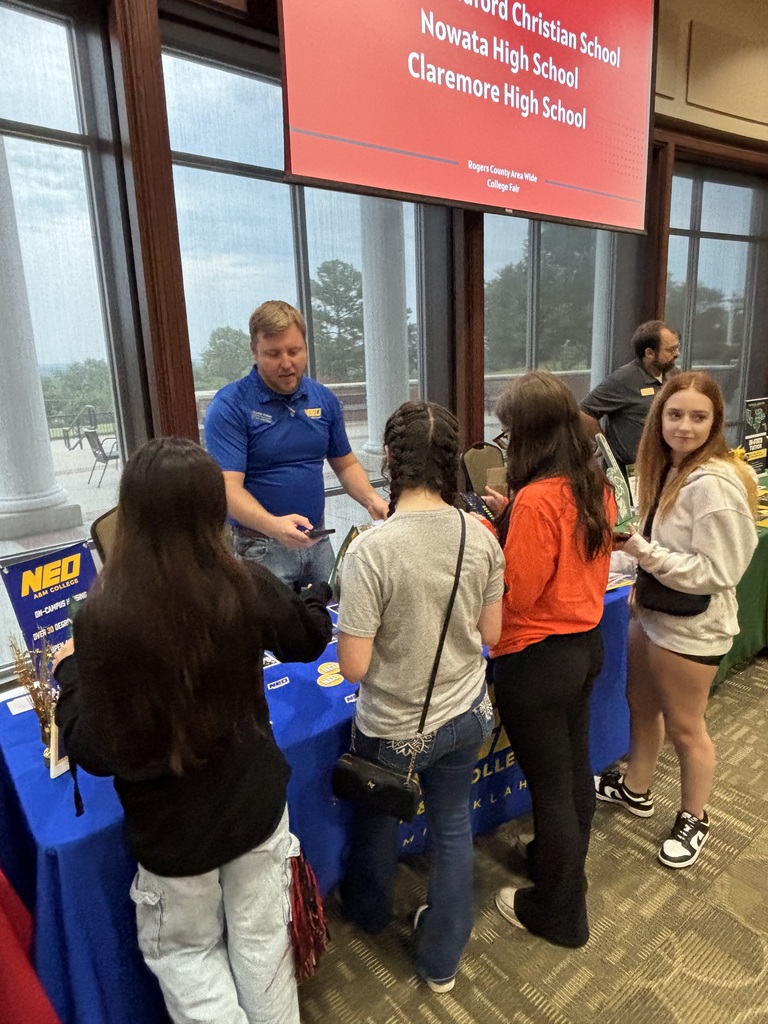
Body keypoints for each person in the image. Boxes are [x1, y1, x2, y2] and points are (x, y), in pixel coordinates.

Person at [53, 437, 333, 1024]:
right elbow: (308, 639)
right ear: (213, 510)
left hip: (173, 834)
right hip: (254, 811)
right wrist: (315, 595)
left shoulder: (103, 616)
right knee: (263, 949)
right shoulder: (244, 583)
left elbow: (95, 750)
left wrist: (70, 676)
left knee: (187, 957)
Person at [335, 401, 505, 993]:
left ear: (389, 460)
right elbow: (492, 636)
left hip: (394, 728)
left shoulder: (371, 550)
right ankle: (441, 962)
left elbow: (353, 668)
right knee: (453, 827)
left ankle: (372, 913)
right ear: (453, 462)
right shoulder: (480, 535)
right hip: (466, 713)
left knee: (380, 824)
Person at [595, 372, 758, 869]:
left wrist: (645, 553)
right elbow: (652, 545)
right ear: (659, 417)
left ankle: (695, 816)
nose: (684, 426)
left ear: (715, 422)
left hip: (693, 627)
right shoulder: (668, 470)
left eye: (698, 416)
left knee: (688, 727)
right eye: (674, 414)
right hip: (650, 613)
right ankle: (636, 787)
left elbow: (721, 571)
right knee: (641, 706)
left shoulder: (715, 485)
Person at [488, 371, 616, 948]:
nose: (504, 442)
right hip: (583, 647)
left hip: (534, 659)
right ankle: (554, 865)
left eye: (509, 432)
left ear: (528, 435)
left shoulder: (538, 501)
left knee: (551, 789)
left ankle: (561, 909)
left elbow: (517, 594)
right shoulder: (593, 483)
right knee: (572, 774)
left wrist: (499, 533)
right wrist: (508, 517)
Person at [205, 300, 389, 589]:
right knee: (271, 633)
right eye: (273, 354)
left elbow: (346, 463)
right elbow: (228, 490)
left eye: (294, 351)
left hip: (318, 541)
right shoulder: (230, 405)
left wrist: (372, 500)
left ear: (305, 346)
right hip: (261, 548)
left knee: (331, 621)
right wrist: (273, 526)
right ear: (254, 351)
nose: (287, 363)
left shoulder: (323, 399)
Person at [580, 320, 680, 476]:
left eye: (677, 348)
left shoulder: (674, 375)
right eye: (670, 350)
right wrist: (604, 444)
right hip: (629, 473)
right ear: (649, 353)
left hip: (662, 466)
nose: (677, 354)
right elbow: (584, 412)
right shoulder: (623, 379)